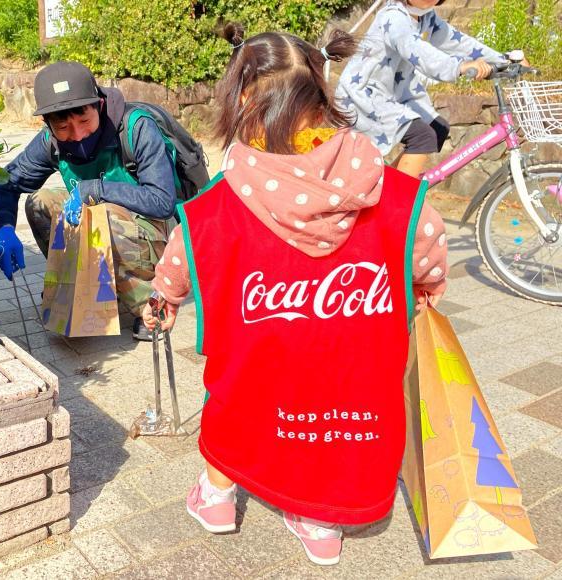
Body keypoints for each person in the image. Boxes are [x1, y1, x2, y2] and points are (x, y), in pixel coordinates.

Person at [142, 24, 449, 565]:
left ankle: (216, 498)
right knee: (328, 422)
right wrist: (424, 290)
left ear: (240, 99)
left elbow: (180, 255)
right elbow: (425, 252)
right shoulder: (394, 195)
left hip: (256, 366)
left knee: (234, 408)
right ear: (323, 94)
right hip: (353, 371)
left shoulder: (215, 206)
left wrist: (164, 299)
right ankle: (316, 520)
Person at [0, 61, 178, 341]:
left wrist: (97, 189)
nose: (76, 135)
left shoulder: (137, 128)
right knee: (40, 203)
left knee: (104, 221)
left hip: (152, 233)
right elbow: (7, 183)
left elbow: (162, 201)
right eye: (63, 127)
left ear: (99, 106)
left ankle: (149, 307)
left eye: (84, 122)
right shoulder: (51, 142)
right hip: (105, 223)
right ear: (48, 124)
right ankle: (79, 288)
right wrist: (4, 228)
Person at [336, 0, 513, 177]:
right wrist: (459, 66)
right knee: (422, 136)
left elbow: (459, 42)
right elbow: (419, 52)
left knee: (438, 129)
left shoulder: (426, 18)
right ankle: (398, 200)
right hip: (362, 96)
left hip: (390, 95)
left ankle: (388, 187)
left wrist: (504, 60)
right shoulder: (393, 17)